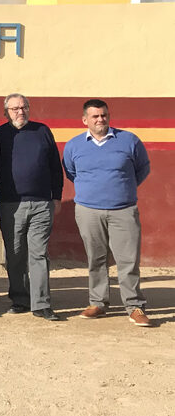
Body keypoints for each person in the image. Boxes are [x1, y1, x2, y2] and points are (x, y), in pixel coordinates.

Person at [64, 99, 153, 327]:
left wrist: (123, 189)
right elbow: (71, 172)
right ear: (85, 120)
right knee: (96, 258)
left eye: (104, 115)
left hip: (123, 210)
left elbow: (143, 168)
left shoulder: (129, 140)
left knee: (128, 260)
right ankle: (98, 303)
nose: (100, 119)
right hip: (88, 211)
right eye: (95, 116)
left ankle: (134, 306)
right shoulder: (74, 145)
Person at [0, 93, 64, 322]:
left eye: (24, 107)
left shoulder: (42, 131)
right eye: (15, 108)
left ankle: (41, 304)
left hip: (42, 204)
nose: (20, 112)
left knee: (39, 254)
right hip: (10, 204)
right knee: (15, 254)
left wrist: (56, 196)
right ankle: (20, 299)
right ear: (6, 112)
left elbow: (55, 166)